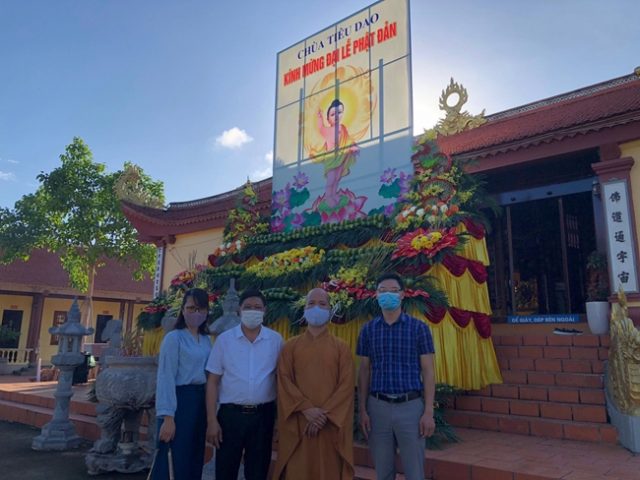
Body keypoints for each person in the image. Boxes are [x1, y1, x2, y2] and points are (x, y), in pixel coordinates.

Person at [356, 273, 436, 480]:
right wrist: (362, 409)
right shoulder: (368, 330)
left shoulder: (419, 329)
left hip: (410, 408)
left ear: (402, 295)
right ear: (376, 295)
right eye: (382, 291)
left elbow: (428, 371)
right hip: (378, 408)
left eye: (393, 291)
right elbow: (364, 371)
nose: (388, 295)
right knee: (383, 471)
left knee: (414, 472)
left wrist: (428, 411)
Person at [273, 288, 355, 480]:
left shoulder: (341, 347)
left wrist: (323, 416)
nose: (316, 307)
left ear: (330, 310)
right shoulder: (290, 346)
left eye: (322, 304)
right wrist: (306, 409)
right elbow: (284, 380)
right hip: (299, 423)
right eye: (311, 303)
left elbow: (346, 386)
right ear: (304, 310)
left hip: (330, 424)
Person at [205, 289, 283, 480]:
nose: (252, 311)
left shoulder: (276, 341)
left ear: (265, 310)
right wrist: (212, 421)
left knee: (258, 473)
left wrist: (280, 420)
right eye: (248, 307)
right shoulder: (224, 340)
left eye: (257, 307)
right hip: (230, 417)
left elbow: (282, 381)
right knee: (225, 471)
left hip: (263, 417)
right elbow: (212, 382)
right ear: (239, 310)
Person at [152, 288, 212, 480]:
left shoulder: (206, 340)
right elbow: (166, 377)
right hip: (179, 402)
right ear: (183, 310)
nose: (196, 313)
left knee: (194, 454)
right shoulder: (174, 338)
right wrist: (168, 417)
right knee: (175, 455)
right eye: (191, 308)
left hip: (199, 402)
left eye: (200, 309)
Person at [316, 99, 360, 207]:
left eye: (339, 112)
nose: (336, 116)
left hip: (341, 157)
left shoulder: (342, 128)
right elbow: (320, 127)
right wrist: (319, 117)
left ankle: (333, 194)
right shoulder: (327, 130)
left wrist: (352, 146)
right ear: (328, 118)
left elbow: (347, 139)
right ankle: (328, 197)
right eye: (332, 114)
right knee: (331, 179)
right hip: (331, 159)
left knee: (337, 178)